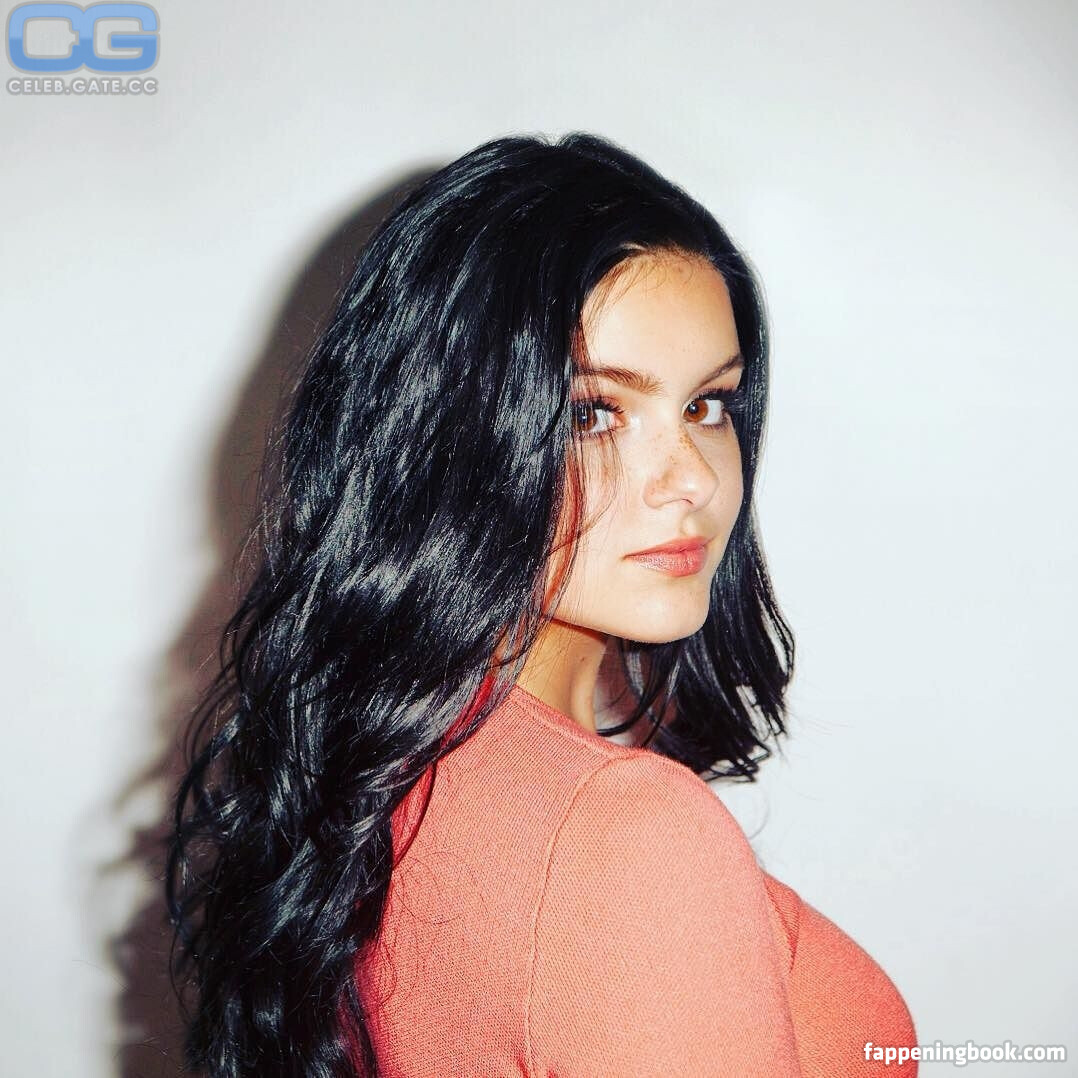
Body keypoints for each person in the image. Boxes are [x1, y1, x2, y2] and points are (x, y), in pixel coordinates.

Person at [167, 132, 918, 1077]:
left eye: (707, 405)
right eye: (592, 412)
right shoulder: (626, 836)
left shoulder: (381, 773)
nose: (691, 477)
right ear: (444, 438)